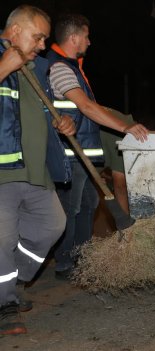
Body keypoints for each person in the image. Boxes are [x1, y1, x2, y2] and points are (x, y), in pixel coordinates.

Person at [46, 13, 148, 280]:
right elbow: (87, 107)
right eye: (87, 36)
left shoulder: (73, 66)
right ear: (74, 37)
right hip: (70, 155)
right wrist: (124, 127)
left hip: (84, 155)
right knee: (72, 209)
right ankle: (65, 263)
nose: (89, 42)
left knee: (89, 204)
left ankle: (82, 255)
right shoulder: (59, 68)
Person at [0, 5, 76, 335]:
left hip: (36, 170)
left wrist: (61, 123)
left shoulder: (37, 68)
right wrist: (3, 67)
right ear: (14, 31)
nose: (43, 45)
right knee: (2, 238)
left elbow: (37, 114)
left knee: (53, 225)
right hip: (3, 172)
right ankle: (5, 303)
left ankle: (11, 282)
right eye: (38, 36)